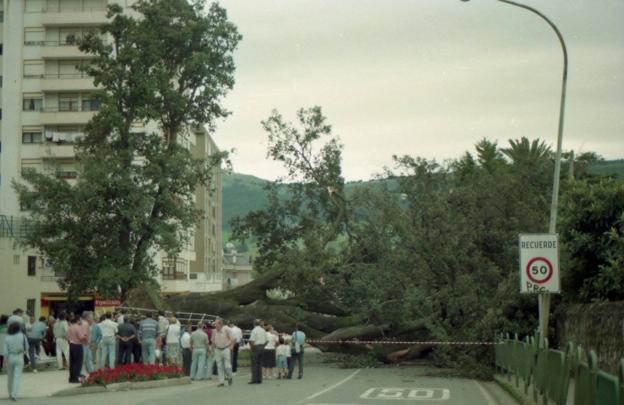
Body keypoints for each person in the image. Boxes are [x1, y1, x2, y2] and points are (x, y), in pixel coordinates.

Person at [3, 322, 29, 400]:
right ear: (19, 328)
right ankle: (14, 394)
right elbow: (26, 347)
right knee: (17, 377)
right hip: (19, 356)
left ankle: (10, 393)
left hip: (10, 356)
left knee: (10, 377)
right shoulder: (23, 336)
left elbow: (5, 351)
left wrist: (5, 361)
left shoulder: (7, 337)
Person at [212, 319, 234, 386]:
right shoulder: (214, 331)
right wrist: (213, 349)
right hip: (217, 349)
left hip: (225, 349)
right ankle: (221, 382)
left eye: (216, 324)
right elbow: (213, 340)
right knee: (219, 366)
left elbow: (233, 338)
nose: (215, 325)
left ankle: (230, 377)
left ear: (220, 324)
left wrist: (231, 346)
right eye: (214, 324)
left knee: (227, 366)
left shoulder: (226, 329)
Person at [66, 316, 88, 383]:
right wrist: (85, 336)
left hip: (71, 345)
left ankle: (71, 378)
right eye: (80, 320)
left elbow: (66, 337)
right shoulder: (78, 327)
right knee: (78, 363)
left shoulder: (70, 327)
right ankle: (76, 378)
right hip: (78, 346)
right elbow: (81, 337)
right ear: (77, 321)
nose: (81, 321)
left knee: (72, 362)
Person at [248, 319, 267, 384]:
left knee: (254, 364)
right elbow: (266, 340)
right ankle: (259, 379)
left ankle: (254, 379)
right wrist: (263, 346)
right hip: (262, 347)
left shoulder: (254, 330)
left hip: (255, 347)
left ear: (254, 324)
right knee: (260, 364)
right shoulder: (263, 330)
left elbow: (252, 340)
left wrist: (252, 347)